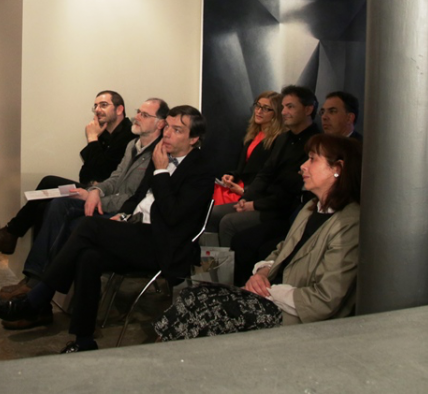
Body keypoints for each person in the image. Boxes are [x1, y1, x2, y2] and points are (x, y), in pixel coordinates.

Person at [0, 105, 214, 354]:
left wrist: (160, 171)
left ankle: (35, 299)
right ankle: (83, 340)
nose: (167, 133)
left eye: (177, 130)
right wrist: (123, 215)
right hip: (137, 230)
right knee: (88, 256)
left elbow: (172, 216)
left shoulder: (200, 170)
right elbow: (137, 197)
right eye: (167, 126)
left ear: (193, 139)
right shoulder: (162, 154)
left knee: (88, 226)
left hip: (165, 244)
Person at [153, 134, 362, 340]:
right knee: (193, 296)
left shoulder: (348, 223)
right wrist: (261, 274)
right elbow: (283, 250)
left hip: (294, 312)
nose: (303, 166)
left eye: (313, 159)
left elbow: (324, 300)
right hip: (273, 297)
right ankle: (164, 354)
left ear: (337, 169)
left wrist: (268, 291)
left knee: (209, 313)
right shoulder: (310, 208)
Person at [0, 98, 168, 309]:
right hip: (105, 199)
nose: (137, 117)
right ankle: (33, 278)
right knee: (59, 204)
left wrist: (96, 195)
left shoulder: (158, 153)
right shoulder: (133, 144)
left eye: (145, 115)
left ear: (160, 123)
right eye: (139, 111)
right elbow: (113, 178)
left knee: (74, 225)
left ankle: (38, 291)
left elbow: (134, 198)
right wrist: (95, 191)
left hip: (123, 213)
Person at [0, 90, 133, 255]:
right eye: (96, 106)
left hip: (107, 195)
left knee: (49, 181)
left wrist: (92, 139)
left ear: (119, 109)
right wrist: (95, 144)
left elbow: (103, 174)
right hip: (91, 188)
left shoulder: (129, 136)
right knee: (42, 206)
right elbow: (85, 175)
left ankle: (10, 234)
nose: (98, 110)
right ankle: (35, 265)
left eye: (103, 105)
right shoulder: (103, 135)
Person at [218, 85, 322, 248]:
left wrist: (254, 204)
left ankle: (228, 265)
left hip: (285, 210)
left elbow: (291, 188)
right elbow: (265, 173)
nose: (284, 112)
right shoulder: (283, 139)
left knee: (228, 222)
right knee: (213, 214)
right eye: (283, 107)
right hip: (264, 201)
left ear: (308, 109)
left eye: (290, 107)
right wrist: (246, 199)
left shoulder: (316, 142)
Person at [207, 92, 282, 228]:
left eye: (266, 108)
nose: (259, 111)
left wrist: (244, 191)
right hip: (238, 186)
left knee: (211, 210)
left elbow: (265, 176)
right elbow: (244, 167)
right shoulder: (253, 134)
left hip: (250, 193)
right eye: (258, 106)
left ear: (276, 113)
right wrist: (232, 175)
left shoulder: (278, 140)